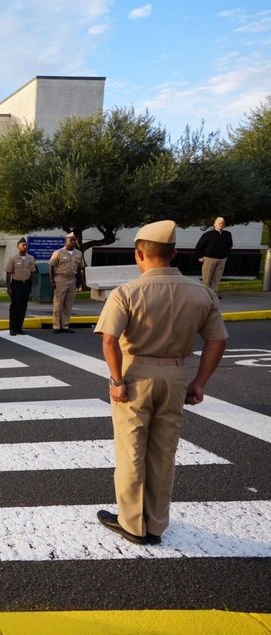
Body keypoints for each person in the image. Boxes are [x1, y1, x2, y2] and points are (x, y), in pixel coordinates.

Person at [94, 220, 227, 546]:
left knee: (131, 452)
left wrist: (116, 379)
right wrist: (200, 382)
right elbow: (217, 342)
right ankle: (155, 524)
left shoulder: (127, 293)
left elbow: (109, 340)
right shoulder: (203, 294)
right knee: (164, 452)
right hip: (177, 377)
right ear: (174, 253)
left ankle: (132, 524)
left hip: (136, 376)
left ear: (140, 253)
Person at [49, 233, 85, 334]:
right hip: (60, 279)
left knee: (68, 303)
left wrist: (79, 281)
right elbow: (51, 267)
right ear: (66, 241)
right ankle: (56, 325)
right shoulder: (59, 252)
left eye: (74, 240)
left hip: (72, 280)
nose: (73, 242)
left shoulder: (78, 253)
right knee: (58, 303)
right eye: (71, 240)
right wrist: (52, 281)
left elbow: (79, 268)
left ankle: (65, 325)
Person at [194, 217, 233, 298]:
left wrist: (226, 255)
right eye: (219, 223)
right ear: (214, 224)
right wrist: (200, 256)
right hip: (209, 258)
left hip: (222, 258)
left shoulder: (227, 234)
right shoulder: (208, 234)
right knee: (207, 276)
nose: (221, 225)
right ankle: (205, 293)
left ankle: (214, 293)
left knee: (217, 276)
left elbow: (230, 246)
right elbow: (199, 246)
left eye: (223, 223)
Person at [5, 238, 37, 336]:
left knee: (23, 307)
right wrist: (9, 287)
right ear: (18, 246)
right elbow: (8, 273)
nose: (25, 247)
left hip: (26, 284)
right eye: (23, 245)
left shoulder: (30, 258)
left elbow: (32, 273)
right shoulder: (13, 258)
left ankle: (19, 328)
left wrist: (31, 285)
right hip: (16, 284)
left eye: (26, 245)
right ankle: (12, 328)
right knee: (15, 307)